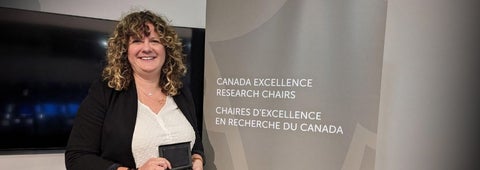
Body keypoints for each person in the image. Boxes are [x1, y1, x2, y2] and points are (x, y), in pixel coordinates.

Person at [65, 10, 204, 170]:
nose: (147, 48)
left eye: (155, 41)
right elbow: (77, 158)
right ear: (124, 50)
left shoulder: (179, 90)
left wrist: (198, 158)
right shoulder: (105, 92)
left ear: (166, 49)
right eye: (137, 41)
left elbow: (195, 140)